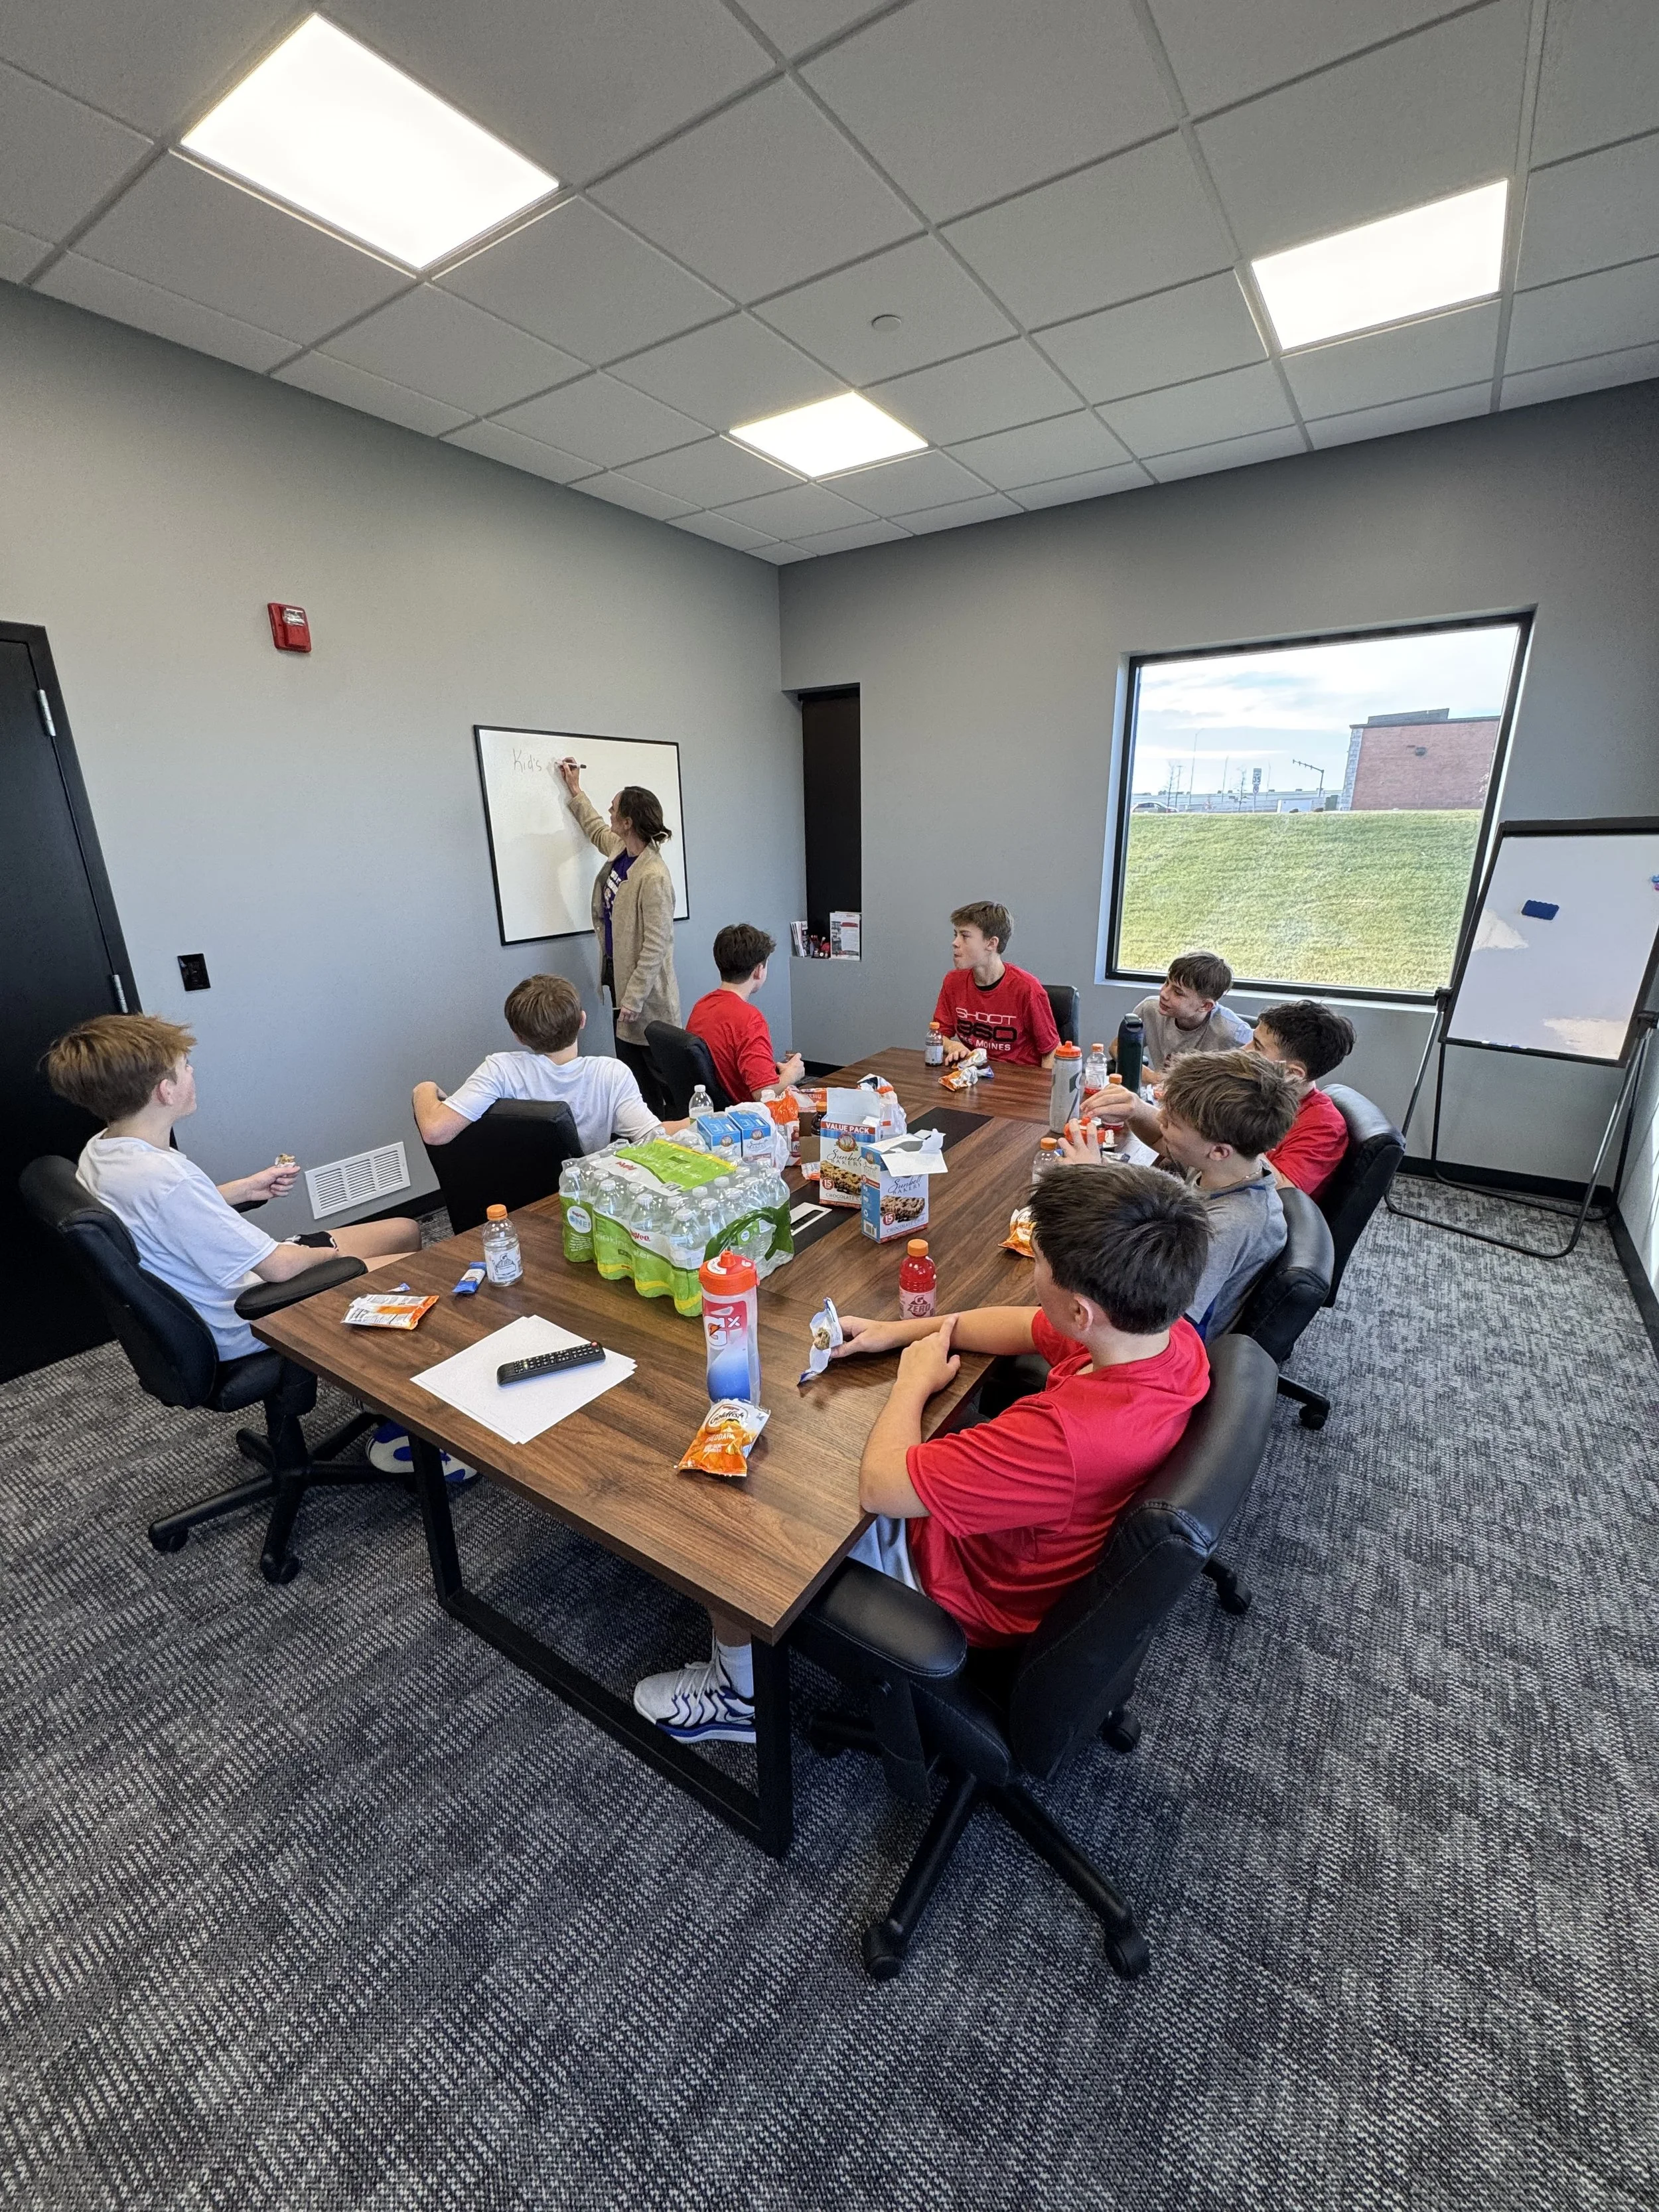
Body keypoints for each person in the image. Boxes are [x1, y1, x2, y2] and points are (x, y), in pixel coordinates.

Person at [632, 1164, 1210, 1743]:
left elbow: (880, 1487)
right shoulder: (1162, 1338)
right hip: (1019, 1543)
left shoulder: (1066, 1436)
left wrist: (913, 1379)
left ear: (1083, 1311)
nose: (1035, 1271)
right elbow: (1029, 1325)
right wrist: (899, 1332)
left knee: (738, 1505)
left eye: (1040, 1263)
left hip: (961, 1584)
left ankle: (738, 1696)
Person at [41, 1015, 461, 1477]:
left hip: (219, 1288)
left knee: (403, 1230)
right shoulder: (166, 1179)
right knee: (428, 1271)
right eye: (185, 1066)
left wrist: (244, 1188)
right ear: (164, 1090)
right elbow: (281, 1268)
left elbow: (168, 1215)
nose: (193, 1073)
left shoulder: (106, 1149)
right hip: (250, 1311)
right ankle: (421, 1425)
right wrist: (337, 1257)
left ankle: (373, 1378)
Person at [412, 974, 662, 1158]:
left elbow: (435, 1131)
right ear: (582, 1021)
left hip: (518, 1201)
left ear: (518, 1036)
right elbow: (653, 1137)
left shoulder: (501, 1070)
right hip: (584, 1199)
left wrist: (424, 1088)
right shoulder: (611, 1073)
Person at [552, 758, 680, 1111]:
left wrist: (634, 998)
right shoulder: (621, 850)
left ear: (628, 822)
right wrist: (575, 791)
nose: (609, 810)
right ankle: (645, 1139)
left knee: (658, 1078)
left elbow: (655, 945)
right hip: (619, 981)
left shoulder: (653, 875)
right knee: (633, 1078)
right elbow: (595, 829)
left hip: (648, 998)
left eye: (615, 809)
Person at [1151, 1051, 1298, 1339]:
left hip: (1170, 1335)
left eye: (1171, 1124)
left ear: (1219, 1151)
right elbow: (1170, 1149)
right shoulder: (1235, 1166)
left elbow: (1171, 1322)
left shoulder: (1230, 1225)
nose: (1160, 1122)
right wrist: (1133, 1110)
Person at [685, 924, 805, 1104]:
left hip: (712, 1110)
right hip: (743, 1115)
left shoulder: (701, 1006)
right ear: (758, 970)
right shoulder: (749, 1020)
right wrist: (792, 1075)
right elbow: (763, 1093)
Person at [931, 902, 1058, 1070]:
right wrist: (953, 1046)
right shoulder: (952, 981)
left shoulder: (1027, 989)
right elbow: (938, 1034)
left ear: (991, 944)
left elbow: (1051, 1052)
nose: (955, 943)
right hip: (974, 1076)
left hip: (1019, 1082)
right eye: (955, 935)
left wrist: (1044, 1093)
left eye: (965, 936)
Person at [1249, 1000, 1356, 1199]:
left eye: (1257, 1047)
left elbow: (1284, 1192)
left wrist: (1226, 1128)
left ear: (1293, 1073)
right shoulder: (1255, 1092)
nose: (1243, 1051)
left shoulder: (1324, 1127)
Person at [1130, 951, 1251, 1074]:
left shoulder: (1233, 1034)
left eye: (1178, 992)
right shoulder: (1149, 1009)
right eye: (1167, 982)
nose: (1163, 993)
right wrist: (1149, 1075)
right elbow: (1117, 1048)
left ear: (1205, 1006)